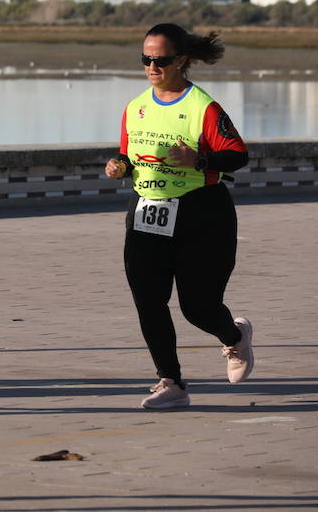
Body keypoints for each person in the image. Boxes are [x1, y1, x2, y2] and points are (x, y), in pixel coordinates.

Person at [104, 22, 253, 411]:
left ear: (181, 61)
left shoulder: (201, 106)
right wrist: (119, 165)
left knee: (197, 307)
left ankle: (234, 337)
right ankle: (170, 382)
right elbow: (129, 154)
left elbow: (238, 154)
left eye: (161, 60)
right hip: (147, 211)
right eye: (146, 59)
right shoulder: (135, 107)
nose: (152, 67)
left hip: (201, 213)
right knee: (148, 300)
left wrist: (199, 158)